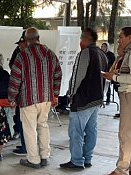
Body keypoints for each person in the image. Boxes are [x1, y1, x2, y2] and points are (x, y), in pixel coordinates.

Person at [8, 27, 62, 169]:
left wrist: (12, 98)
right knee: (43, 126)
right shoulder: (50, 54)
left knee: (29, 129)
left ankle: (33, 159)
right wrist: (55, 94)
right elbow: (58, 74)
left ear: (26, 40)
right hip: (46, 98)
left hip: (28, 99)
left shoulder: (22, 55)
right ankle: (45, 156)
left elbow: (15, 79)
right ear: (38, 38)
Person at [60, 28, 108, 170]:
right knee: (91, 130)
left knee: (76, 132)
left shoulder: (85, 53)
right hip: (96, 99)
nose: (80, 42)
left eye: (82, 39)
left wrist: (71, 95)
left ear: (86, 39)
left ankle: (76, 161)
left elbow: (77, 77)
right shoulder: (101, 54)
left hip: (82, 100)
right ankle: (87, 158)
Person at [102, 27, 131, 175]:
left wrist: (114, 77)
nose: (119, 40)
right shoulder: (126, 54)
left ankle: (122, 169)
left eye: (121, 37)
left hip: (128, 94)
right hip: (126, 93)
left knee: (125, 133)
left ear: (130, 37)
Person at [9, 30, 28, 156]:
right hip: (22, 93)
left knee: (27, 123)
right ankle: (25, 145)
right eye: (20, 45)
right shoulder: (18, 52)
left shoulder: (29, 55)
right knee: (21, 120)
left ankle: (26, 147)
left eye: (23, 45)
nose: (20, 47)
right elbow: (12, 65)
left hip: (27, 95)